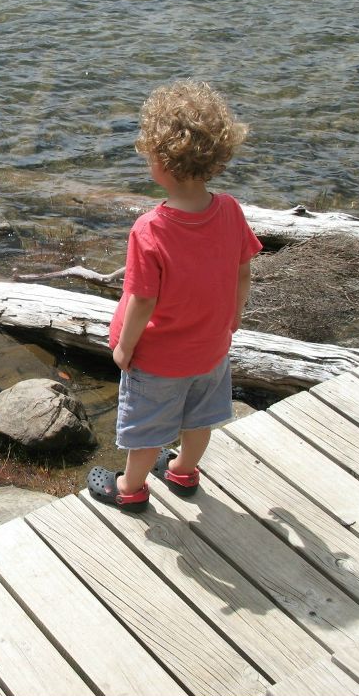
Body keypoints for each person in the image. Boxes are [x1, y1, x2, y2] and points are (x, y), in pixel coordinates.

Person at [87, 80, 263, 512]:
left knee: (146, 429)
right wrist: (234, 318)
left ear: (162, 162)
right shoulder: (229, 209)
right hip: (211, 350)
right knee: (200, 417)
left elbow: (142, 300)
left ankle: (129, 488)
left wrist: (125, 347)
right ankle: (183, 470)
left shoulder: (151, 228)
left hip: (159, 357)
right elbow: (243, 269)